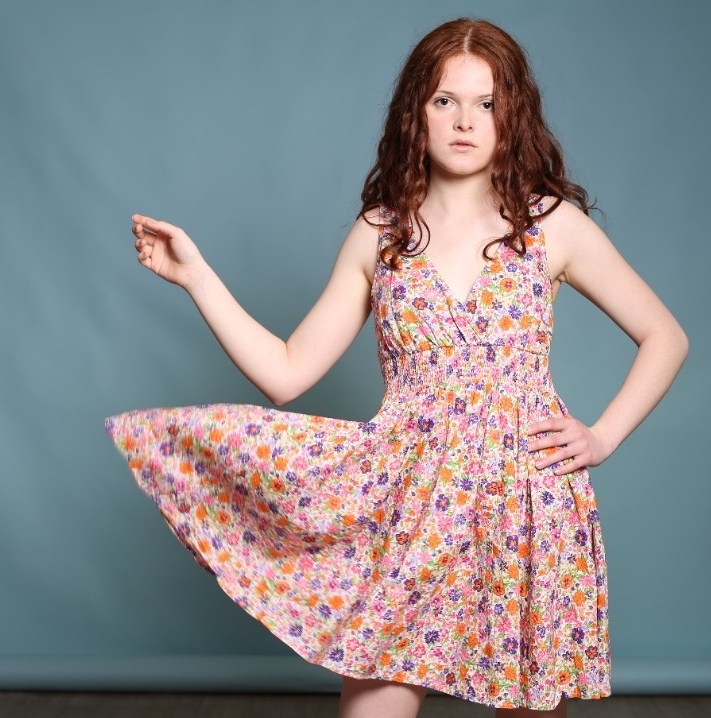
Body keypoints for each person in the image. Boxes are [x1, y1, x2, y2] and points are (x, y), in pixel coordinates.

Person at [106, 18, 688, 717]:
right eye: (445, 101)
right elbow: (286, 372)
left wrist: (602, 436)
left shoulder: (550, 225)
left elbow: (665, 336)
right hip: (408, 503)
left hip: (526, 502)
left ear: (514, 114)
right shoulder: (380, 235)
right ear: (417, 110)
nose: (465, 121)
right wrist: (197, 277)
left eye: (487, 103)